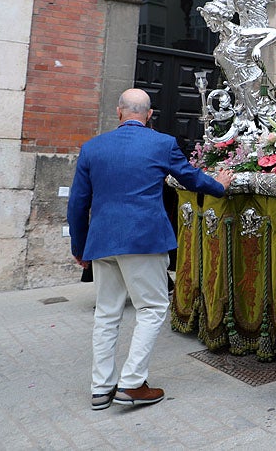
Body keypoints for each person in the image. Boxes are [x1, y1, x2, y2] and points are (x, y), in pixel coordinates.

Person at [67, 88, 232, 411]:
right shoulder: (161, 143)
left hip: (103, 242)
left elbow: (77, 204)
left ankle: (101, 388)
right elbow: (191, 178)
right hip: (143, 238)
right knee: (153, 309)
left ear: (118, 112)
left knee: (106, 314)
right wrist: (220, 186)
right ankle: (131, 383)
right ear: (149, 115)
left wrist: (80, 246)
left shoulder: (92, 148)